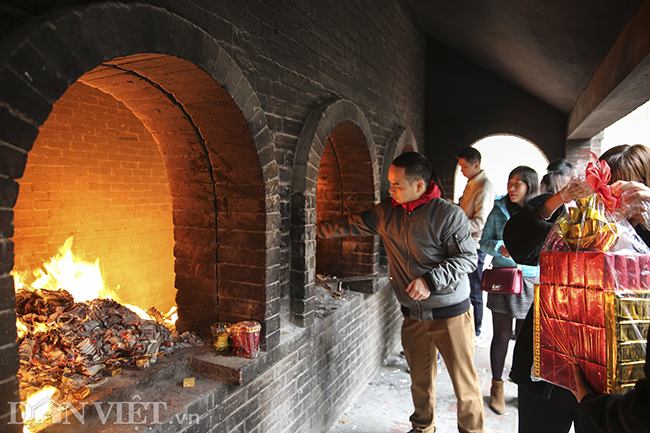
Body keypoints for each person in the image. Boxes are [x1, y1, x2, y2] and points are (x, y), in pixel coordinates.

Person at [318, 152, 485, 433]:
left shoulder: (448, 215)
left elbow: (467, 259)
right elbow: (351, 223)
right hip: (413, 314)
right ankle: (422, 428)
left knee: (464, 385)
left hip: (450, 313)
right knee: (420, 381)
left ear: (419, 186)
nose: (390, 190)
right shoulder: (387, 211)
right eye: (390, 184)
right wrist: (311, 230)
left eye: (396, 185)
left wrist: (429, 281)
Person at [502, 144, 650, 433]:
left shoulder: (644, 230)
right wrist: (562, 197)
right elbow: (521, 248)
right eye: (604, 187)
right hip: (549, 367)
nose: (612, 199)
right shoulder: (575, 218)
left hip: (616, 386)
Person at [479, 166, 539, 415]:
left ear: (530, 186)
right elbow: (484, 242)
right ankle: (497, 387)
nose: (512, 188)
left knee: (527, 340)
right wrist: (501, 247)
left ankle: (522, 388)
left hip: (531, 279)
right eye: (510, 183)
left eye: (518, 184)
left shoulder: (539, 211)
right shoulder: (498, 208)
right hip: (503, 278)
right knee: (502, 335)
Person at [457, 147, 497, 337]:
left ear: (476, 164)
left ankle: (476, 330)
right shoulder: (471, 182)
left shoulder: (484, 186)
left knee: (474, 290)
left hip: (475, 246)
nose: (462, 170)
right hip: (464, 242)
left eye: (464, 166)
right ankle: (468, 327)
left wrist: (455, 224)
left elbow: (480, 222)